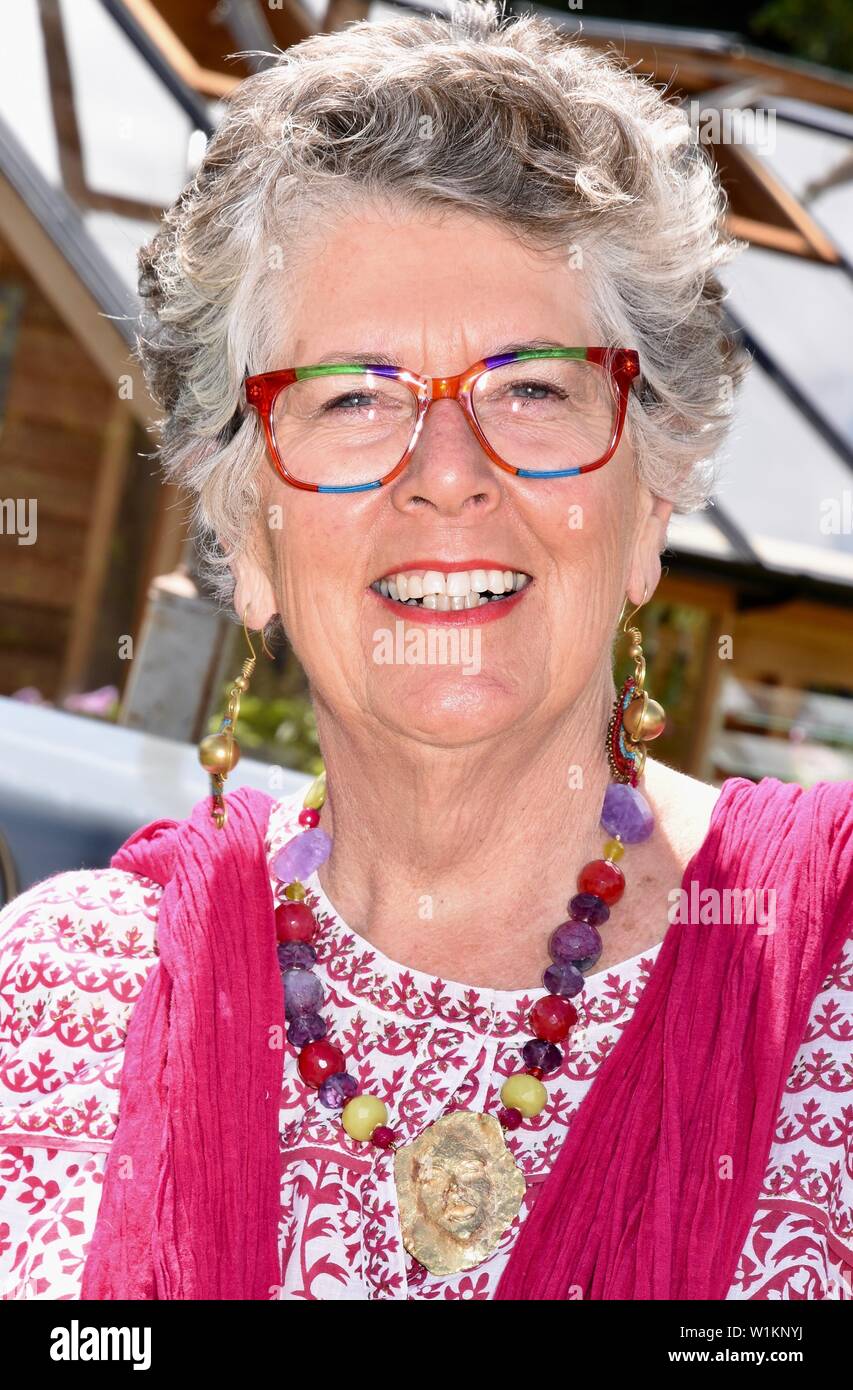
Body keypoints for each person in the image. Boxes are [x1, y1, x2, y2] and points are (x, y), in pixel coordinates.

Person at [1, 1, 850, 1301]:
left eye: (533, 387)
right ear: (252, 534)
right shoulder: (63, 1001)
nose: (445, 475)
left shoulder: (828, 980)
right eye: (350, 398)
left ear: (651, 501)